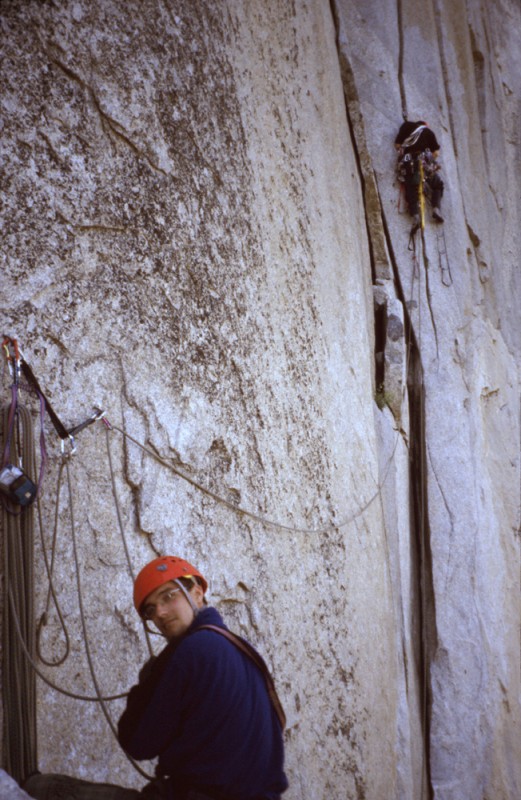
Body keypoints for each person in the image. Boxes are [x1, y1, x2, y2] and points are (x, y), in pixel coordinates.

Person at [24, 556, 288, 800]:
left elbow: (139, 743)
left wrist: (149, 680)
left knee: (42, 789)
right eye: (151, 610)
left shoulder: (190, 652)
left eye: (168, 596)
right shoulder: (247, 653)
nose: (159, 614)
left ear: (197, 594)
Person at [395, 120, 444, 226]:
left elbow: (398, 145)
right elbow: (436, 153)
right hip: (423, 164)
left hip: (408, 165)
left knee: (410, 189)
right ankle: (436, 209)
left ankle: (416, 217)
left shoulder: (406, 126)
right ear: (425, 126)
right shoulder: (429, 132)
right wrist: (429, 159)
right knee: (438, 184)